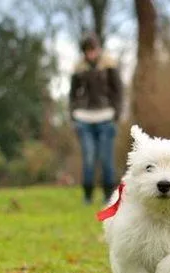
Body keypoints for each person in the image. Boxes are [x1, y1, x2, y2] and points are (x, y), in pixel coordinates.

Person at [69, 34, 123, 205]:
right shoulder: (78, 69)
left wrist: (117, 113)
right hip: (84, 119)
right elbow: (72, 94)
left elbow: (118, 91)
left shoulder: (109, 66)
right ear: (84, 52)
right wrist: (73, 114)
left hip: (106, 118)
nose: (91, 54)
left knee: (107, 159)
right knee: (89, 158)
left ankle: (108, 196)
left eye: (93, 49)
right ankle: (88, 196)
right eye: (87, 51)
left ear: (98, 49)